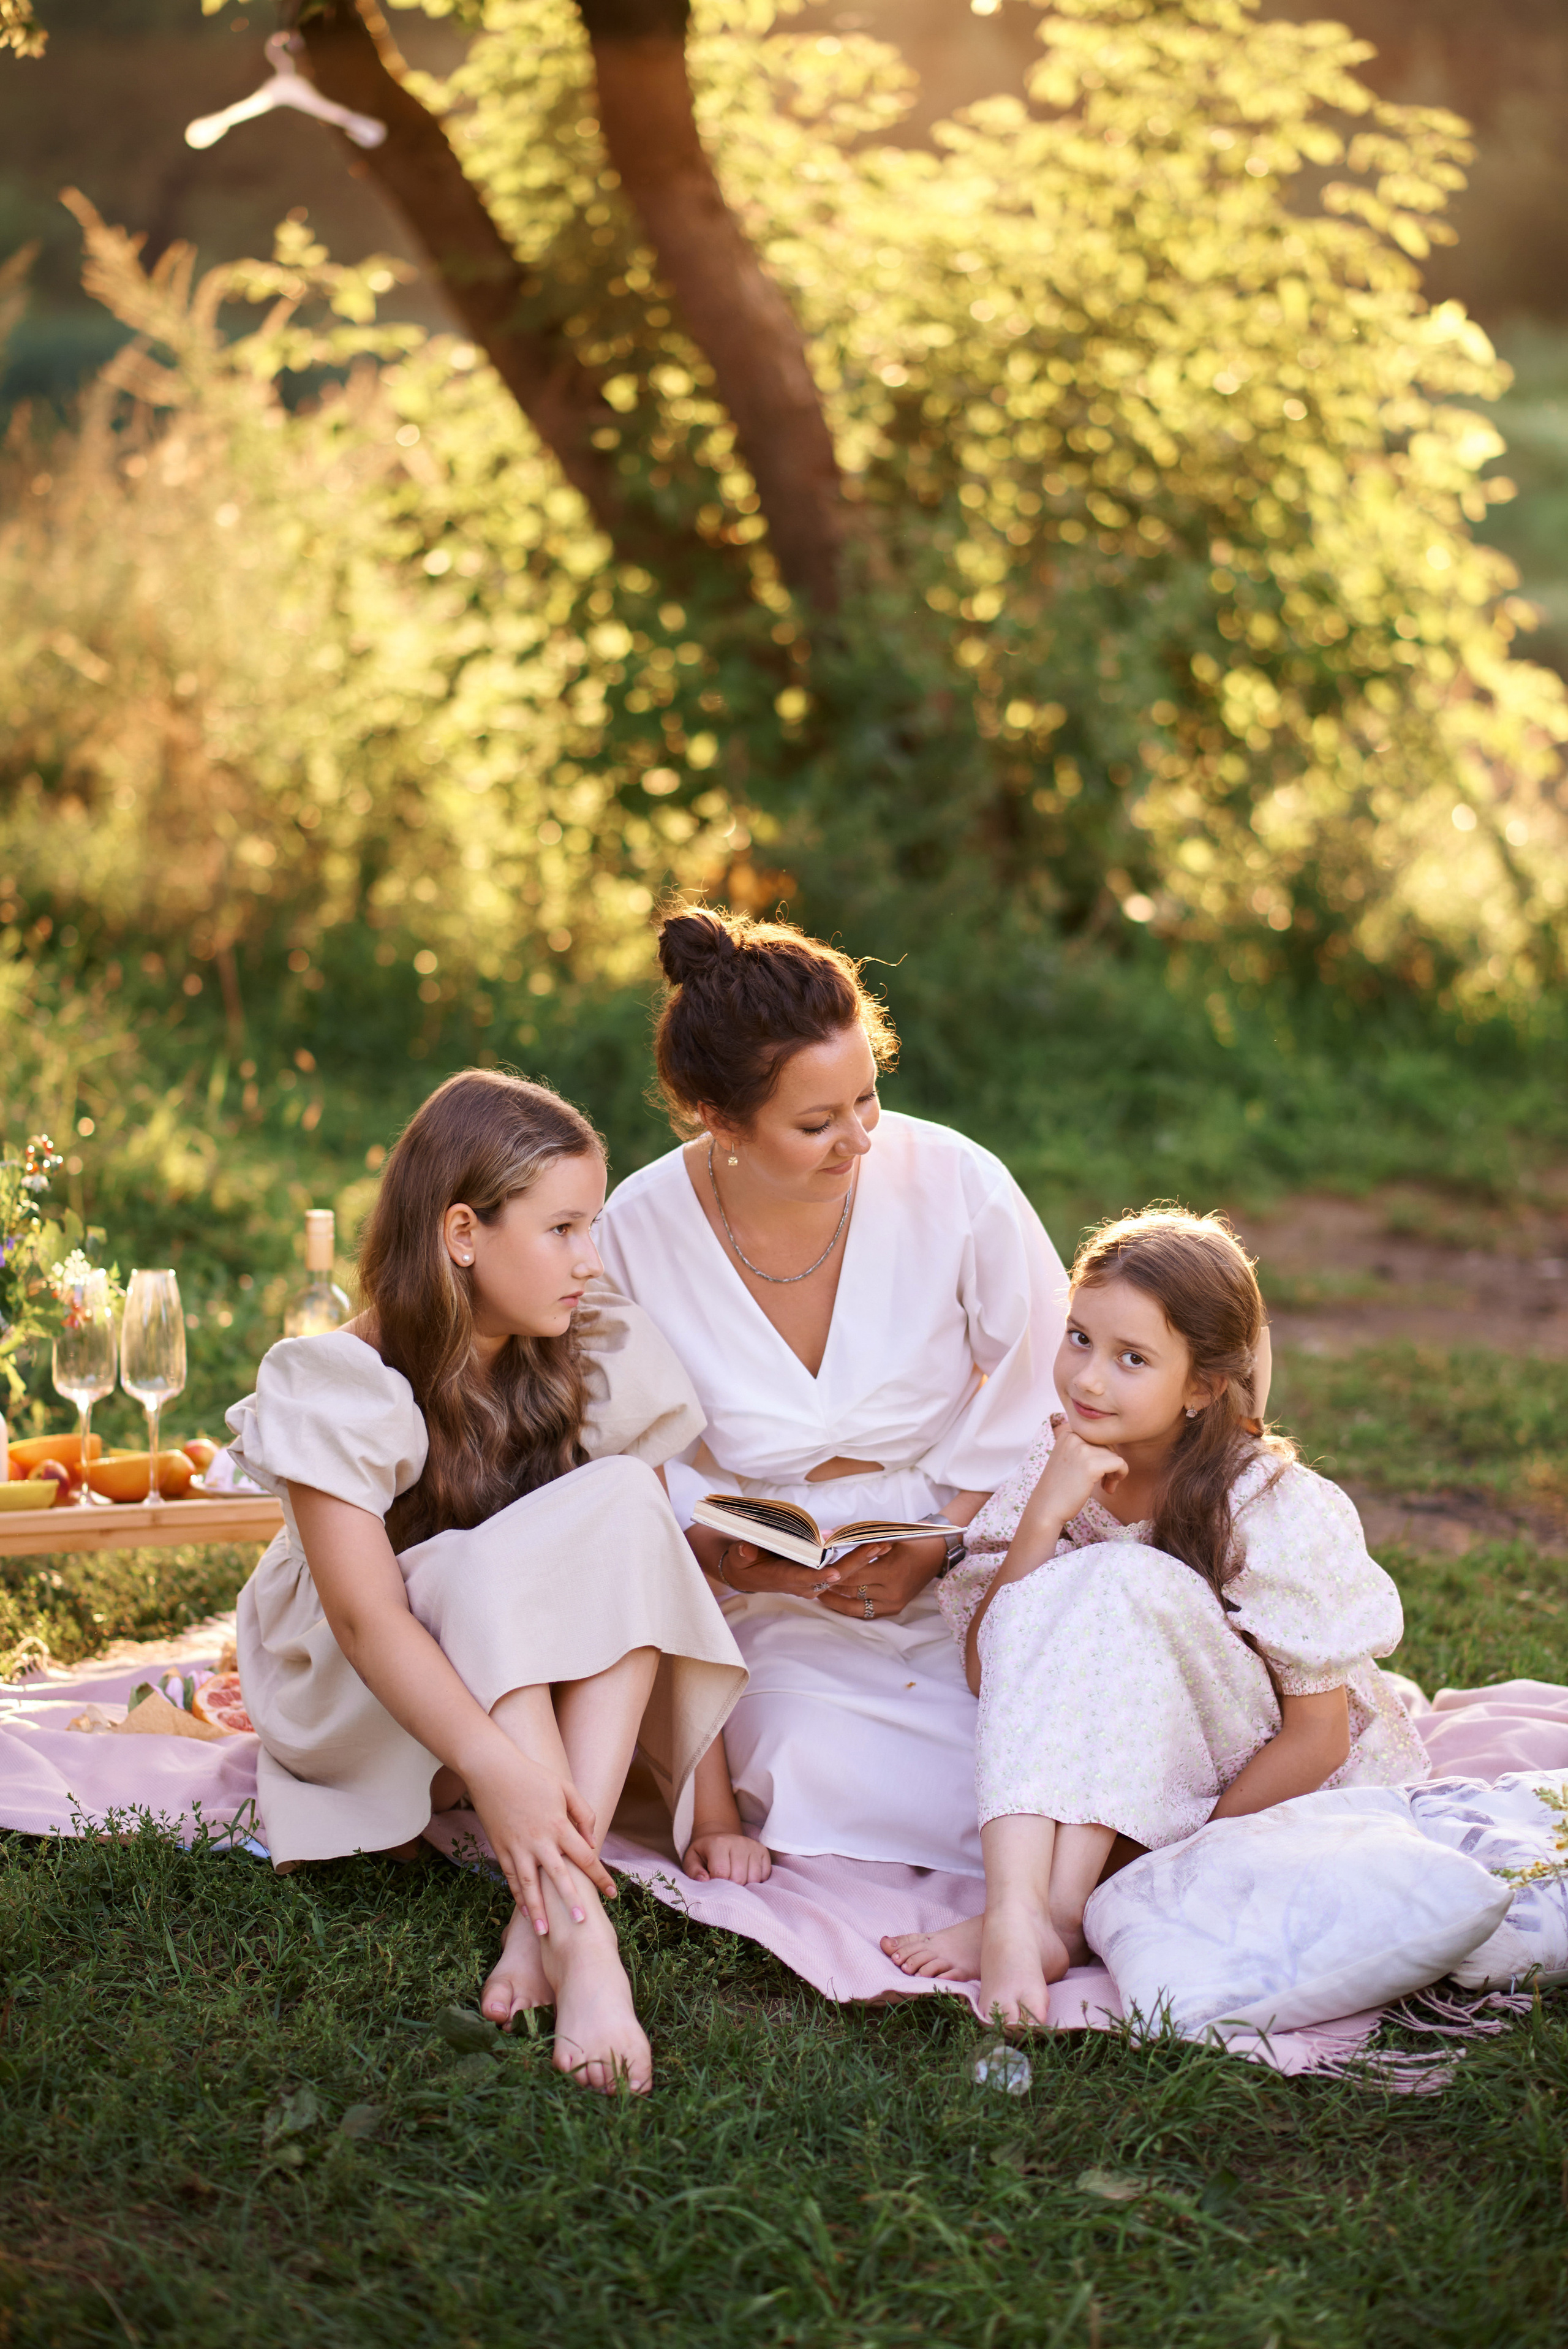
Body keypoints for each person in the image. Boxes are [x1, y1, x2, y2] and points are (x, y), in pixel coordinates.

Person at [227, 1070, 745, 2094]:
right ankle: (587, 1943)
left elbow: (646, 1564)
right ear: (462, 1232)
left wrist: (717, 1810)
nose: (589, 1258)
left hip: (506, 1682)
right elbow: (367, 1621)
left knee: (629, 1499)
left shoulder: (584, 1345)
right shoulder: (338, 1378)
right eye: (561, 1229)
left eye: (591, 1225)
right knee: (465, 1562)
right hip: (364, 1697)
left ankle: (538, 1915)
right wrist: (494, 1769)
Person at [594, 906, 1069, 1879]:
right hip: (766, 1583)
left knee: (1040, 1733)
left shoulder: (957, 1181)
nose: (857, 1139)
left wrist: (946, 1538)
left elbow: (1056, 1383)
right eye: (816, 1124)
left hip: (970, 1541)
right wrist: (720, 1550)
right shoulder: (635, 1229)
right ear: (718, 1118)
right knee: (805, 1761)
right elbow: (616, 1450)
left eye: (867, 1098)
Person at [882, 1206, 1430, 2028]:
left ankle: (1060, 1912)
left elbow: (1317, 1738)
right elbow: (986, 1670)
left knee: (1118, 1575)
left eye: (1131, 1358)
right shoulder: (1061, 1458)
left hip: (1255, 1773)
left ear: (1202, 1386)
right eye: (1079, 1339)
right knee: (1087, 1583)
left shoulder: (1267, 1501)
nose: (1088, 1380)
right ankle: (1019, 1913)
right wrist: (1044, 1515)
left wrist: (1160, 1867)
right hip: (1124, 1754)